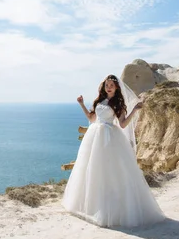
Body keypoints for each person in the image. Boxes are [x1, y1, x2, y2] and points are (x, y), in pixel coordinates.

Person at [61, 74, 166, 228]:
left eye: (111, 85)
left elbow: (123, 124)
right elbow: (91, 119)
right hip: (94, 135)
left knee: (110, 171)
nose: (108, 87)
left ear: (116, 87)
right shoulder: (99, 101)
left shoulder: (118, 104)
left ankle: (111, 209)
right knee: (92, 168)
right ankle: (90, 206)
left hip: (110, 137)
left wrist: (135, 110)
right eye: (106, 85)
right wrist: (81, 104)